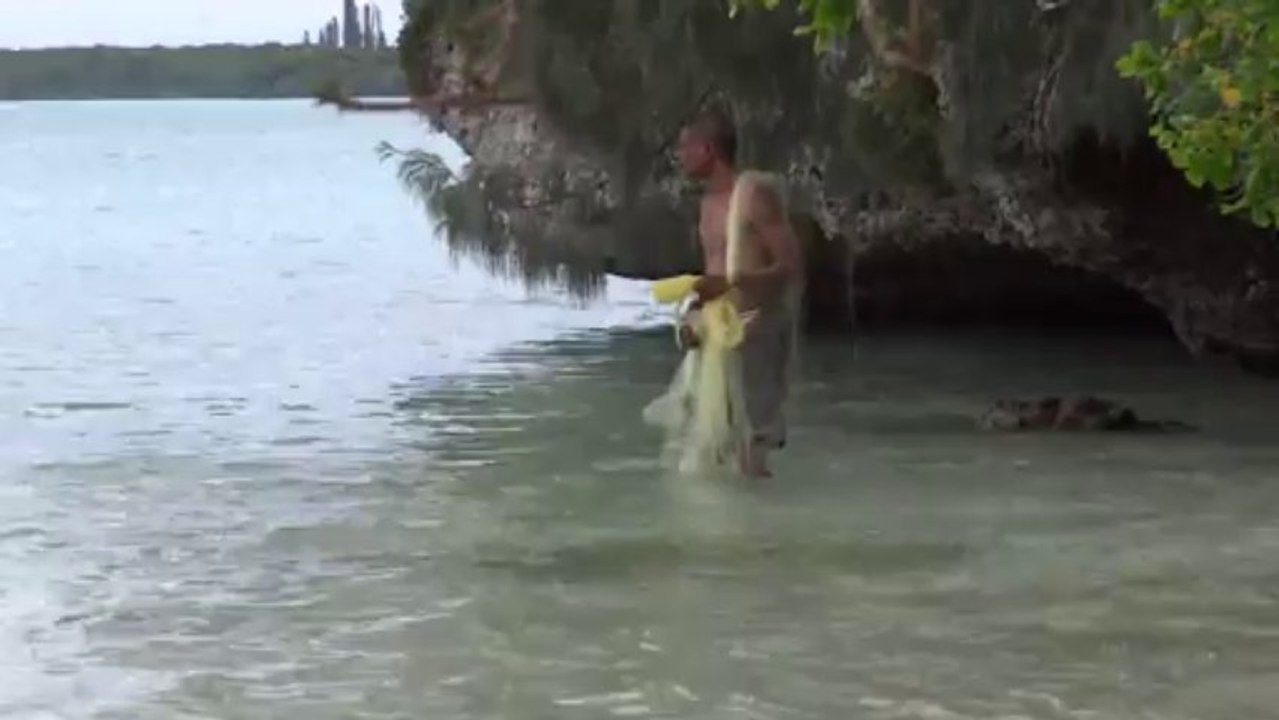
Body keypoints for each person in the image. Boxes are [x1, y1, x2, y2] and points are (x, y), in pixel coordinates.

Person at [674, 109, 804, 477]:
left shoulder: (754, 196)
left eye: (686, 146)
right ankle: (732, 530)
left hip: (757, 328)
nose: (680, 155)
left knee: (753, 451)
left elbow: (791, 267)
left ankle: (764, 528)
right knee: (714, 451)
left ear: (709, 149)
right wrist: (693, 314)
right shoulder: (706, 205)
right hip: (718, 334)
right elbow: (714, 275)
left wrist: (734, 284)